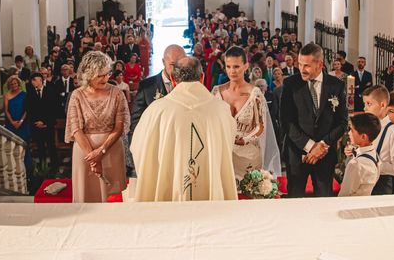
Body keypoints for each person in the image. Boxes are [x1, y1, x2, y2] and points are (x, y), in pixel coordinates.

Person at [131, 56, 238, 201]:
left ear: (174, 80)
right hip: (211, 201)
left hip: (169, 202)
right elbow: (227, 145)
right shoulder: (221, 110)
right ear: (202, 77)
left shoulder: (157, 110)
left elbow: (138, 148)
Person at [280, 43, 348, 197]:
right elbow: (286, 121)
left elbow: (342, 121)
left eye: (307, 66)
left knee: (324, 201)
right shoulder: (291, 84)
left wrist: (323, 145)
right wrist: (311, 147)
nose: (302, 69)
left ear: (320, 64)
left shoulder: (336, 85)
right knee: (295, 200)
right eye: (300, 64)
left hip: (325, 156)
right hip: (297, 155)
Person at [65, 51, 129, 202]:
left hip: (112, 150)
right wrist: (93, 158)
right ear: (88, 75)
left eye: (107, 74)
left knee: (112, 197)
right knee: (86, 195)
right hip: (84, 152)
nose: (106, 78)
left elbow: (119, 127)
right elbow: (75, 129)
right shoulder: (77, 95)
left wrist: (102, 151)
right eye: (100, 75)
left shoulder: (117, 93)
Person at [212, 46, 281, 179]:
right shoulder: (216, 91)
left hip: (247, 154)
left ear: (245, 66)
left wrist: (244, 140)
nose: (232, 71)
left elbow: (261, 125)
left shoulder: (255, 93)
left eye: (236, 66)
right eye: (228, 66)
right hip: (222, 152)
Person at [362, 85, 394, 195]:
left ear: (382, 105)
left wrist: (379, 165)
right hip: (366, 180)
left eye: (369, 104)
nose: (365, 108)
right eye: (364, 104)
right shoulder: (369, 127)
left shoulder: (393, 133)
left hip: (381, 185)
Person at [338, 112, 381, 197]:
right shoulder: (374, 154)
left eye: (352, 130)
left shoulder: (355, 165)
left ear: (363, 137)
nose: (349, 133)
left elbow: (344, 195)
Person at [27, 72, 59, 167]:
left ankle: (54, 167)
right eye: (31, 80)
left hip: (48, 125)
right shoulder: (30, 93)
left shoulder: (50, 91)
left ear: (40, 80)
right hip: (37, 126)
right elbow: (29, 110)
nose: (32, 82)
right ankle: (42, 166)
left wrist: (45, 122)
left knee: (51, 146)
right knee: (40, 147)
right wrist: (36, 123)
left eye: (34, 80)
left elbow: (53, 109)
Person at [3, 75, 31, 171]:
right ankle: (15, 169)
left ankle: (27, 169)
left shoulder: (24, 94)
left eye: (15, 83)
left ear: (18, 84)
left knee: (24, 147)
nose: (14, 85)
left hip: (23, 124)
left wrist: (21, 121)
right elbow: (6, 111)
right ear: (9, 85)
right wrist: (12, 122)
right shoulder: (6, 95)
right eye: (11, 84)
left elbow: (27, 110)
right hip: (11, 125)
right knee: (12, 148)